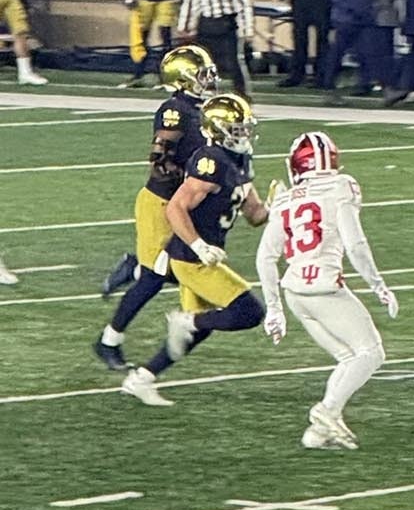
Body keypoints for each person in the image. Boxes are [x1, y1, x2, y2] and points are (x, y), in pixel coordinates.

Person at [120, 94, 269, 407]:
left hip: (203, 255)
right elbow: (175, 208)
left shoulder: (240, 158)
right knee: (249, 311)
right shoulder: (211, 160)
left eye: (244, 128)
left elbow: (254, 214)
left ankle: (141, 378)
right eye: (237, 128)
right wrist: (198, 245)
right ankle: (184, 324)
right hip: (191, 259)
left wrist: (280, 206)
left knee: (200, 328)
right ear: (217, 129)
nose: (243, 134)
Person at [256, 131, 398, 449]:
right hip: (323, 289)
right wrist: (378, 285)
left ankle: (317, 434)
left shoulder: (285, 197)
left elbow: (265, 256)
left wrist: (274, 308)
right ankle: (326, 411)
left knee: (347, 357)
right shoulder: (341, 186)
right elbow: (355, 243)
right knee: (371, 353)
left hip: (295, 292)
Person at [95, 47, 217, 371]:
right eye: (201, 73)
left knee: (175, 272)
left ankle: (132, 267)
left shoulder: (200, 108)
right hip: (162, 203)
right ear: (182, 78)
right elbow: (160, 160)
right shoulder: (174, 109)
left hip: (180, 205)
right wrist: (189, 178)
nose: (208, 79)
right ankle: (108, 341)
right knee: (155, 278)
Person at [176, 0, 253, 96]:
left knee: (234, 62)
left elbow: (244, 3)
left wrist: (248, 29)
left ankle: (242, 94)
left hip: (226, 22)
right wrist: (184, 25)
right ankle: (209, 92)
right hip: (206, 22)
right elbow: (190, 0)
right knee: (206, 60)